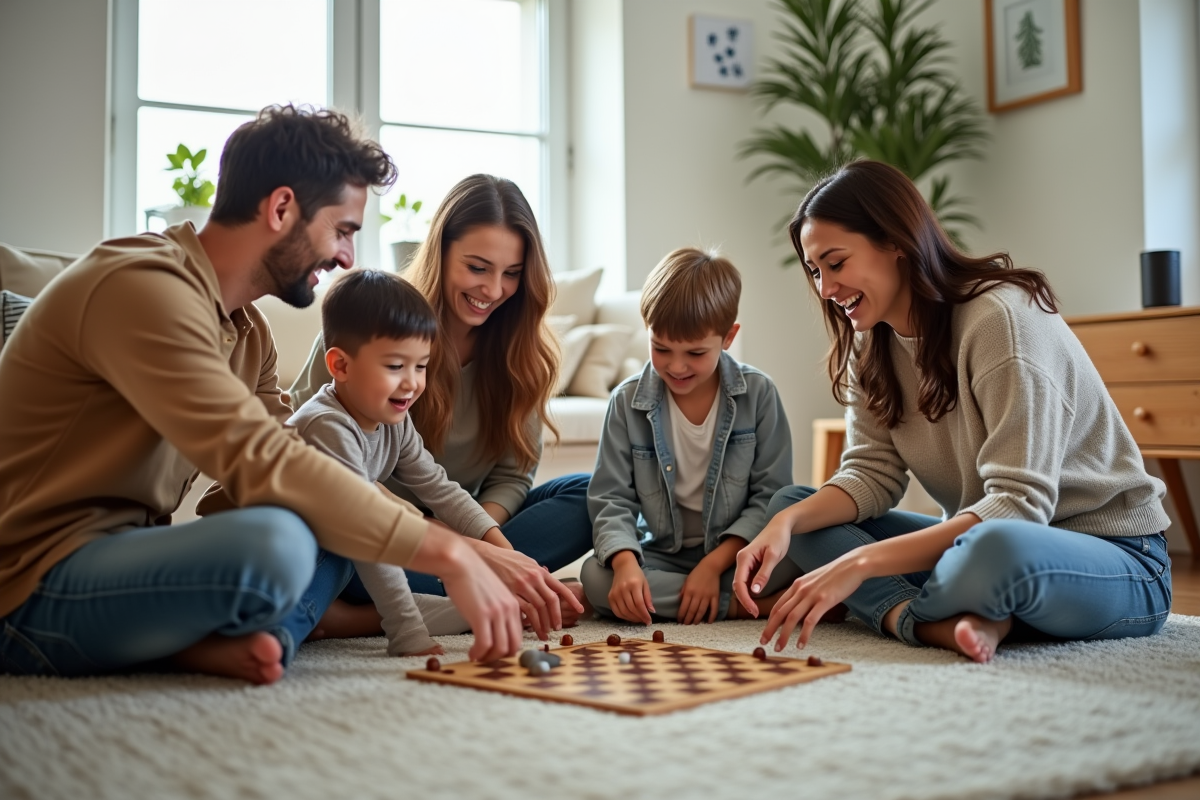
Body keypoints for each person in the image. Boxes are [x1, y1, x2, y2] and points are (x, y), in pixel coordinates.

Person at [0, 105, 523, 685]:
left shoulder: (248, 330)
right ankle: (182, 641)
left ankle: (184, 640)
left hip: (126, 556)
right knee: (275, 546)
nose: (348, 256)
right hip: (28, 580)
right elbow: (260, 459)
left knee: (316, 516)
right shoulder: (140, 285)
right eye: (343, 229)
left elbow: (304, 461)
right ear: (281, 209)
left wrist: (471, 542)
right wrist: (448, 553)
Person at [732, 160, 1173, 663]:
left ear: (895, 242)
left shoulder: (1000, 319)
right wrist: (784, 524)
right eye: (814, 272)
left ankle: (916, 612)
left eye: (835, 263)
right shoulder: (870, 342)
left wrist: (860, 564)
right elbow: (869, 475)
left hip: (1118, 558)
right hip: (981, 546)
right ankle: (935, 618)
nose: (825, 290)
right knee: (793, 506)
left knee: (993, 549)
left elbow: (1018, 507)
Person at [290, 174, 589, 637]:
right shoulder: (366, 326)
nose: (493, 289)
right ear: (441, 251)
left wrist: (488, 547)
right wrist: (458, 550)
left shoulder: (523, 352)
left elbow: (512, 476)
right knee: (334, 545)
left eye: (511, 273)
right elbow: (322, 474)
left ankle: (486, 587)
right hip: (376, 534)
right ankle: (380, 613)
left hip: (467, 524)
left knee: (590, 494)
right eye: (477, 267)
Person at [288, 269, 507, 656]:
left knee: (472, 608)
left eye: (421, 366)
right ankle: (316, 618)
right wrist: (406, 632)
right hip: (303, 557)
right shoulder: (326, 424)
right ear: (340, 366)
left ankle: (346, 617)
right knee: (275, 632)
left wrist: (507, 559)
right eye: (395, 367)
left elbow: (439, 488)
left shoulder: (394, 419)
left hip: (353, 546)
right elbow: (366, 531)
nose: (412, 383)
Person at [579, 247, 798, 624]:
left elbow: (771, 498)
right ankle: (740, 606)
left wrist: (712, 568)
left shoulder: (759, 393)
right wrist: (626, 563)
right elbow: (611, 498)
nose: (676, 366)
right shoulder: (626, 401)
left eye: (695, 353)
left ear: (728, 337)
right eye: (660, 348)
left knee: (801, 553)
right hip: (663, 551)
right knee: (596, 577)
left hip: (735, 553)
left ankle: (701, 596)